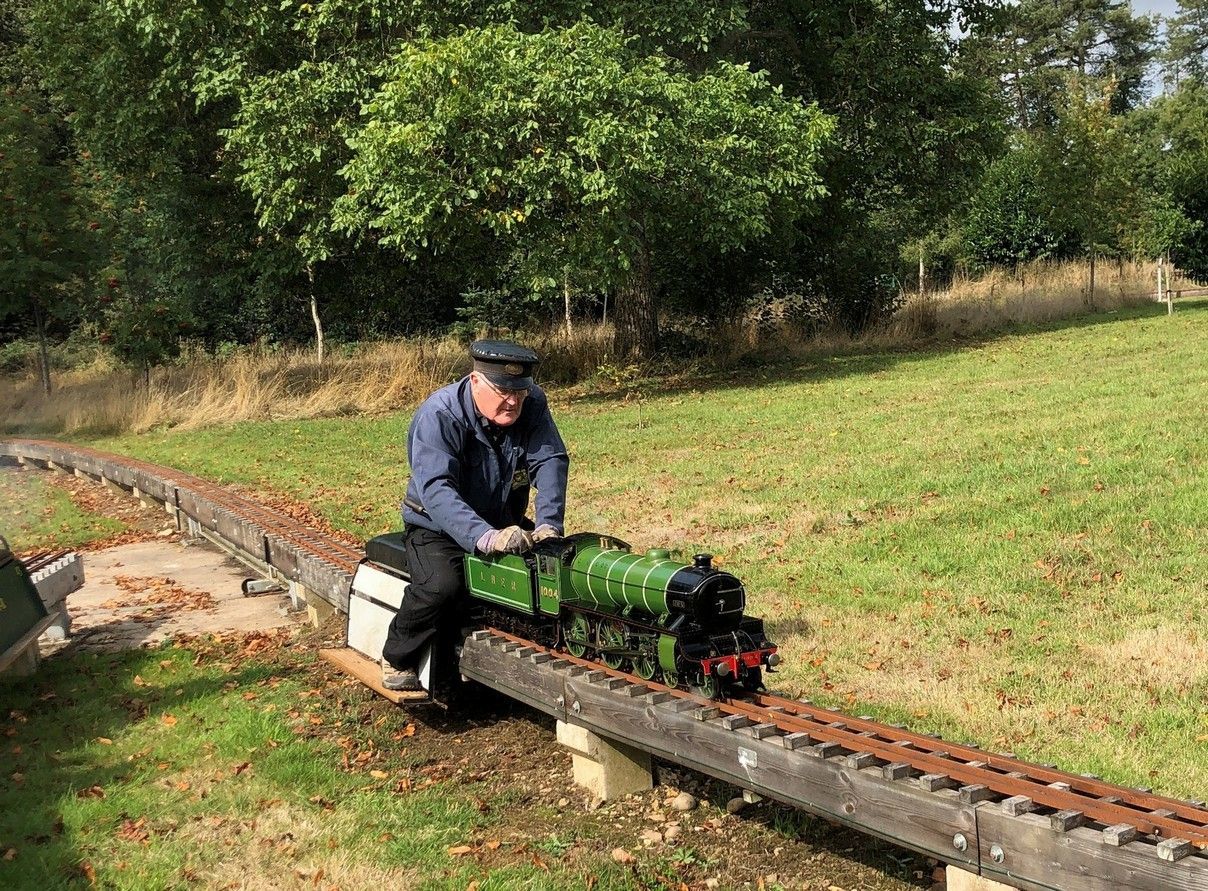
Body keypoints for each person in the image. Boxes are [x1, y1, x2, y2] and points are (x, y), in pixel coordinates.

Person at [380, 339, 570, 692]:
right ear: (475, 380)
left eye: (520, 392)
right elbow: (436, 488)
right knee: (440, 587)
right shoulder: (440, 414)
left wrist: (548, 524)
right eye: (503, 391)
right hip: (436, 525)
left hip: (502, 520)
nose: (513, 401)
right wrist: (485, 537)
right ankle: (397, 656)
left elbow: (550, 459)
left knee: (548, 576)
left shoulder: (533, 403)